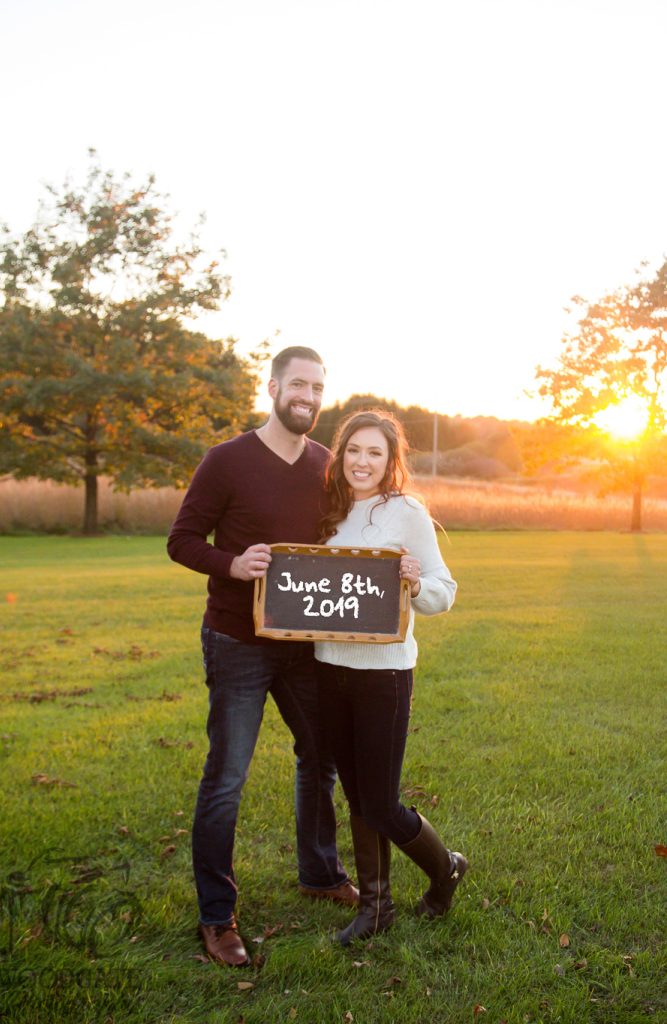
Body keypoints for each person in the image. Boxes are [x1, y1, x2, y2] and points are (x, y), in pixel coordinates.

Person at [167, 346, 357, 968]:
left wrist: (399, 563)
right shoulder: (226, 460)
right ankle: (217, 917)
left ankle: (320, 873)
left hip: (304, 645)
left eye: (318, 387)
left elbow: (343, 543)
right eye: (298, 383)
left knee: (321, 756)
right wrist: (232, 562)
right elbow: (181, 540)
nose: (308, 395)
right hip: (236, 642)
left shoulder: (328, 464)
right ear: (273, 386)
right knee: (228, 776)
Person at [314, 409, 467, 945]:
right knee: (356, 795)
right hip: (328, 669)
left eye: (374, 452)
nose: (362, 461)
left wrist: (415, 579)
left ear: (390, 460)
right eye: (354, 450)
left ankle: (445, 866)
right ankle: (376, 909)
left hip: (385, 674)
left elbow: (443, 592)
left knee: (379, 800)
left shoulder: (405, 512)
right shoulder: (326, 511)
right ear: (342, 454)